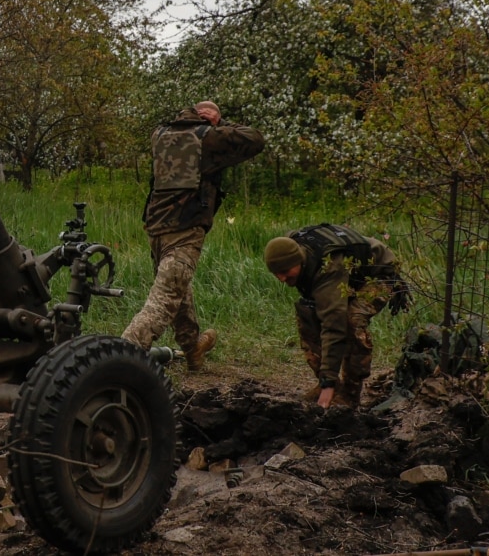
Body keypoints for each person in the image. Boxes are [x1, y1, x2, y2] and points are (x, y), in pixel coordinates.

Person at [122, 101, 265, 371]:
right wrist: (219, 124)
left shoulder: (159, 134)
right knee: (163, 302)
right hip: (185, 229)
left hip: (155, 229)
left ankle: (193, 348)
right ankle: (120, 356)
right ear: (209, 120)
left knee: (179, 290)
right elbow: (255, 139)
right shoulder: (209, 137)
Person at [264, 224, 410, 408]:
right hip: (348, 274)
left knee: (351, 321)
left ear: (299, 261)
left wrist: (329, 383)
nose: (282, 279)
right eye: (276, 273)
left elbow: (334, 327)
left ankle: (349, 394)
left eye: (285, 272)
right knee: (307, 313)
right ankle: (325, 382)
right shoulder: (291, 246)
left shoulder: (328, 269)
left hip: (379, 274)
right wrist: (326, 380)